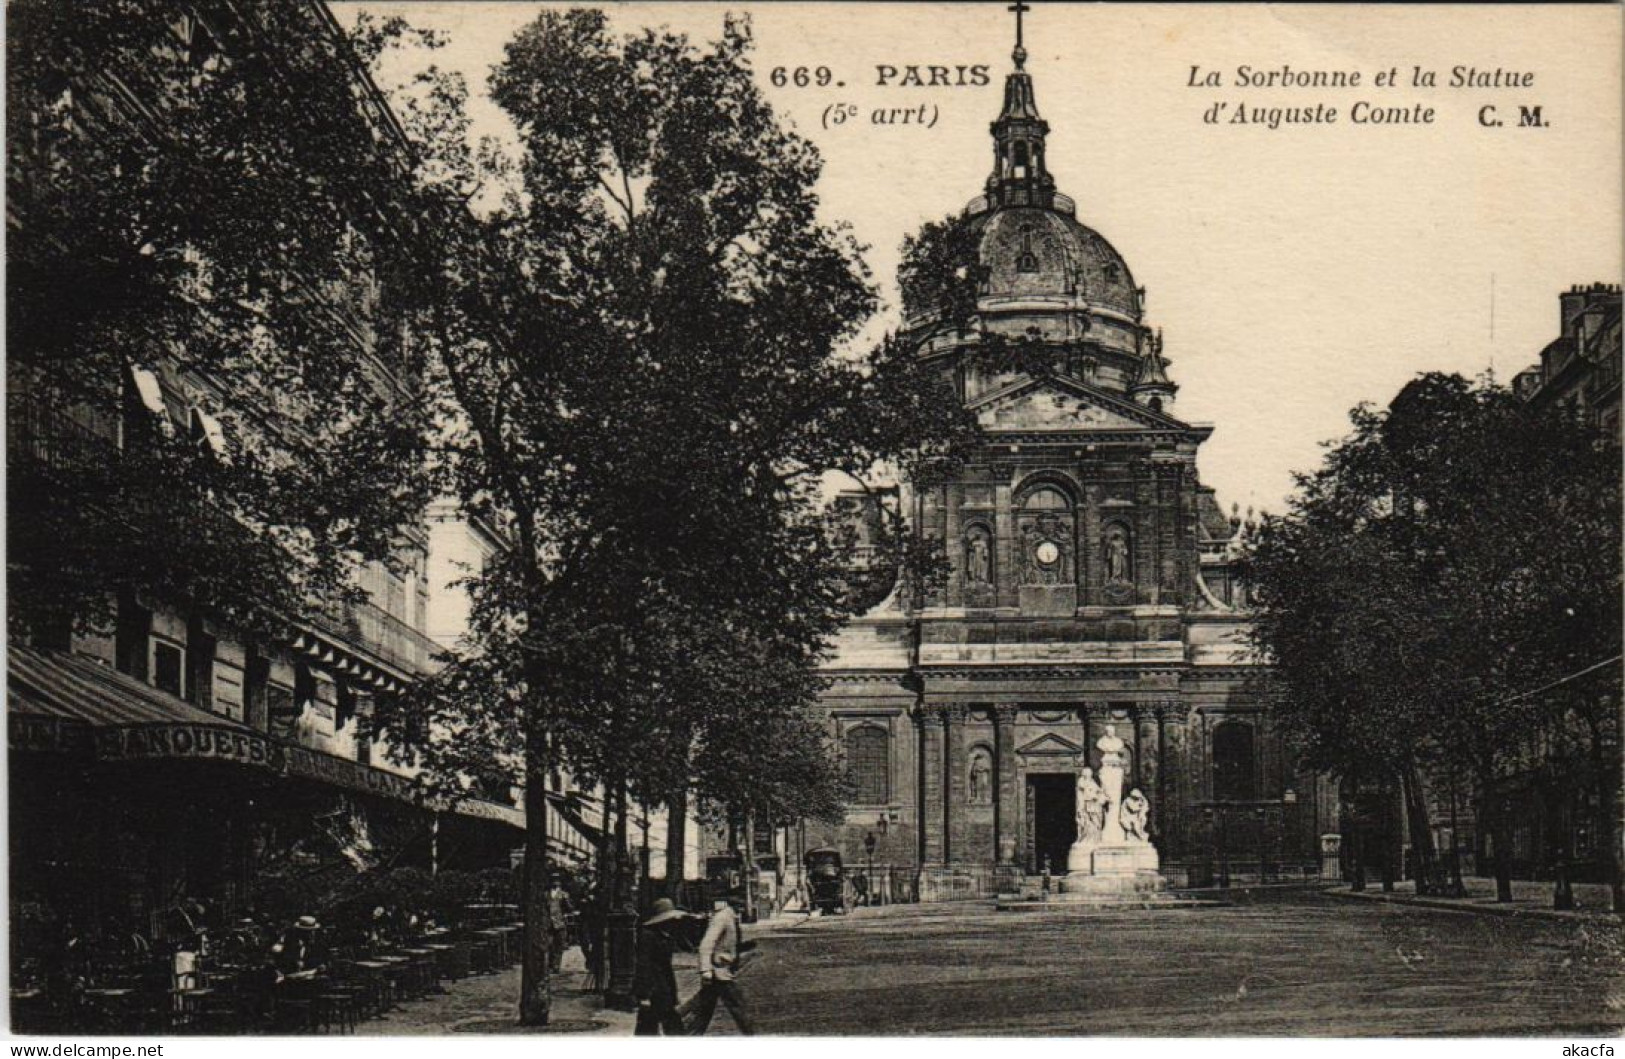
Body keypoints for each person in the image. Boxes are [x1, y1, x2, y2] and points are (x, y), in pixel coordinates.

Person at [688, 894, 755, 1036]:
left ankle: (689, 1036)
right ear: (737, 903)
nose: (745, 906)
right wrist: (705, 969)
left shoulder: (731, 917)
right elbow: (706, 944)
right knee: (738, 1006)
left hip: (721, 972)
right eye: (744, 902)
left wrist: (746, 946)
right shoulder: (722, 918)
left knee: (704, 1011)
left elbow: (727, 944)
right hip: (718, 973)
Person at [633, 899, 690, 1036]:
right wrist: (644, 995)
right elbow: (643, 966)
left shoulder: (665, 937)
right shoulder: (648, 937)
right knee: (649, 1027)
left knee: (659, 1025)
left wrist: (673, 993)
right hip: (653, 989)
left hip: (663, 989)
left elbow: (667, 968)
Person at [546, 878, 574, 974]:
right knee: (549, 945)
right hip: (548, 922)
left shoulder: (563, 894)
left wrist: (566, 900)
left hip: (560, 922)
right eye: (553, 880)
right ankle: (550, 965)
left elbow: (570, 908)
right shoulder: (546, 894)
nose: (555, 882)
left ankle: (556, 966)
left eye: (557, 880)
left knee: (559, 945)